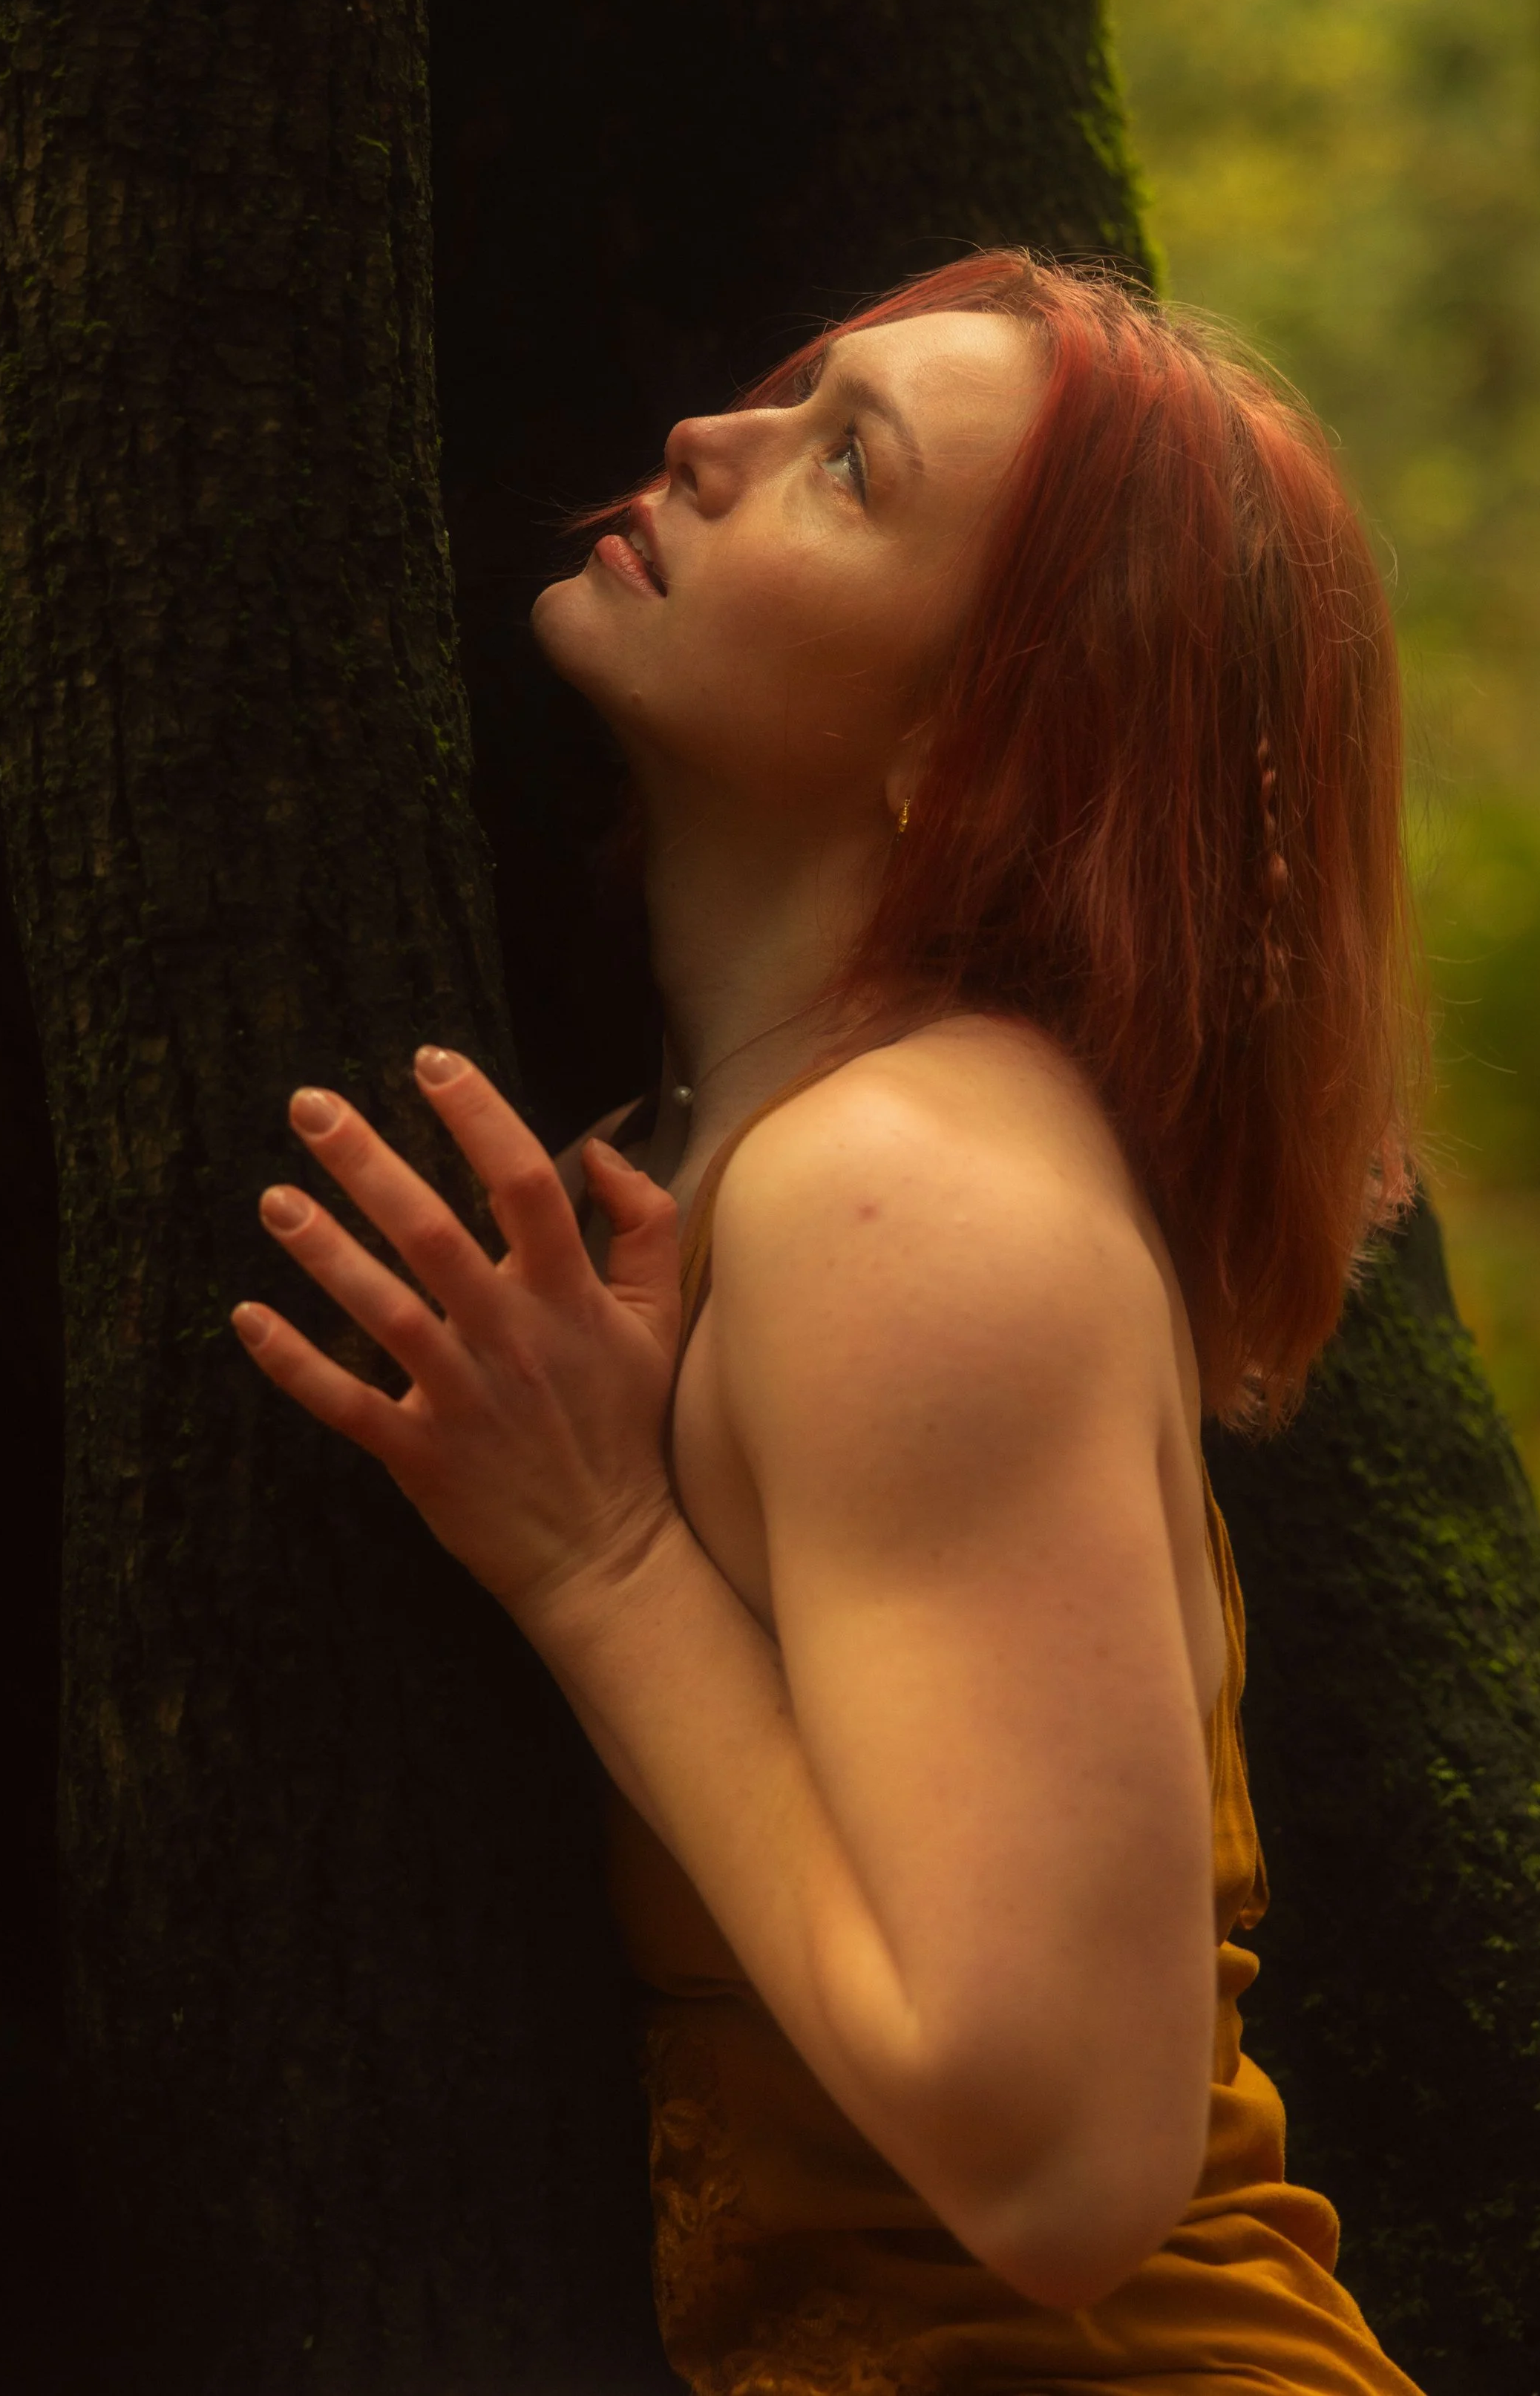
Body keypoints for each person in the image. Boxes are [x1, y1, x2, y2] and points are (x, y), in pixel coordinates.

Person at [232, 251, 1424, 2394]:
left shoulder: (910, 1195)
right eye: (792, 397)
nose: (708, 437)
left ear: (973, 744)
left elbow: (1060, 2166)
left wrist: (600, 1559)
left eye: (840, 467)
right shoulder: (809, 1174)